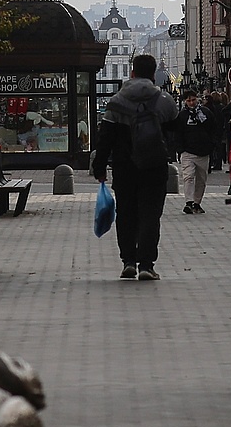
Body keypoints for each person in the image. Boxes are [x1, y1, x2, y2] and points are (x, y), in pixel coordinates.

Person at [90, 54, 178, 282]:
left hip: (125, 166)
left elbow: (105, 137)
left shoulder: (117, 101)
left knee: (126, 214)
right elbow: (173, 131)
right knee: (151, 215)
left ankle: (128, 261)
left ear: (132, 72)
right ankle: (147, 265)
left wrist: (100, 166)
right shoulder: (164, 100)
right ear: (153, 73)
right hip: (155, 166)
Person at [170, 91, 219, 213]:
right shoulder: (182, 116)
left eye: (193, 99)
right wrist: (180, 149)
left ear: (197, 99)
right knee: (188, 176)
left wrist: (211, 145)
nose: (191, 102)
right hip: (188, 151)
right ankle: (189, 202)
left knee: (201, 179)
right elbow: (178, 133)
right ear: (185, 101)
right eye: (188, 100)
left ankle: (197, 202)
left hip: (203, 151)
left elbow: (214, 129)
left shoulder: (206, 113)